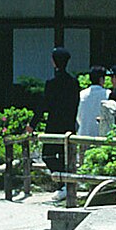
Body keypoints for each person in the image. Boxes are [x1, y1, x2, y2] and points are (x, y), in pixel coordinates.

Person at [40, 46, 81, 199]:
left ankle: (63, 183)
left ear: (54, 62)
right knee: (66, 157)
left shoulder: (51, 83)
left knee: (48, 155)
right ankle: (65, 185)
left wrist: (32, 123)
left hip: (53, 125)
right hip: (69, 125)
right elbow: (76, 104)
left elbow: (44, 105)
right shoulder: (74, 82)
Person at [76, 65, 109, 137]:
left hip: (83, 134)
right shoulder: (108, 94)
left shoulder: (82, 94)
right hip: (101, 136)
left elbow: (78, 116)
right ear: (101, 79)